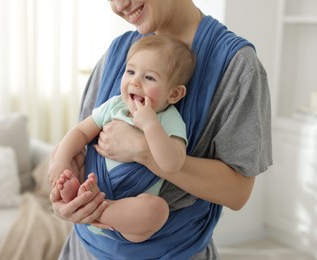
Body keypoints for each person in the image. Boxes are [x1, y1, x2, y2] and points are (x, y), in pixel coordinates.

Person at [48, 0, 272, 259]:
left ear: (176, 93)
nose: (119, 5)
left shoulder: (237, 66)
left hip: (173, 252)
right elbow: (79, 147)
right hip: (84, 250)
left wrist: (143, 151)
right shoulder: (117, 53)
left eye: (150, 78)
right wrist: (64, 200)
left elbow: (238, 193)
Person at [51, 34, 195, 243]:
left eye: (149, 78)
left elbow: (172, 164)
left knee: (156, 210)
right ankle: (78, 195)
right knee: (60, 149)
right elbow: (81, 132)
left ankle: (93, 209)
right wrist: (61, 162)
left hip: (126, 212)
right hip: (90, 178)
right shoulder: (115, 105)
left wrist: (150, 124)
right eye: (130, 71)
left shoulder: (169, 121)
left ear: (174, 94)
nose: (135, 81)